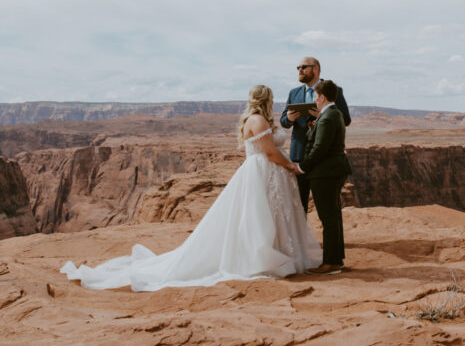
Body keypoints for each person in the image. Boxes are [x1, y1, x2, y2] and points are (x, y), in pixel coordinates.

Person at [62, 85, 322, 291]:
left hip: (259, 174)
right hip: (263, 172)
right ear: (266, 100)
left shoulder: (251, 120)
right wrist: (292, 167)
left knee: (257, 218)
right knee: (260, 217)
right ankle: (262, 259)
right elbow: (269, 153)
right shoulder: (259, 122)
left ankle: (266, 254)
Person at [280, 57, 350, 212]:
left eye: (304, 67)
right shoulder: (294, 93)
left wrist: (323, 115)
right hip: (299, 156)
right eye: (298, 67)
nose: (300, 70)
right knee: (299, 208)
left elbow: (345, 119)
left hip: (323, 158)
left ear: (316, 69)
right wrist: (289, 119)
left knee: (327, 210)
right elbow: (283, 121)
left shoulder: (334, 90)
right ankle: (301, 237)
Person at [296, 80, 352, 275]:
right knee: (334, 217)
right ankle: (336, 260)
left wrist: (302, 167)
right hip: (333, 171)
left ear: (321, 97)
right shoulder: (332, 114)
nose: (314, 100)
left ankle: (330, 264)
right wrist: (314, 125)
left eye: (315, 96)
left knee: (328, 218)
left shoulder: (328, 116)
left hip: (326, 173)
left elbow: (320, 148)